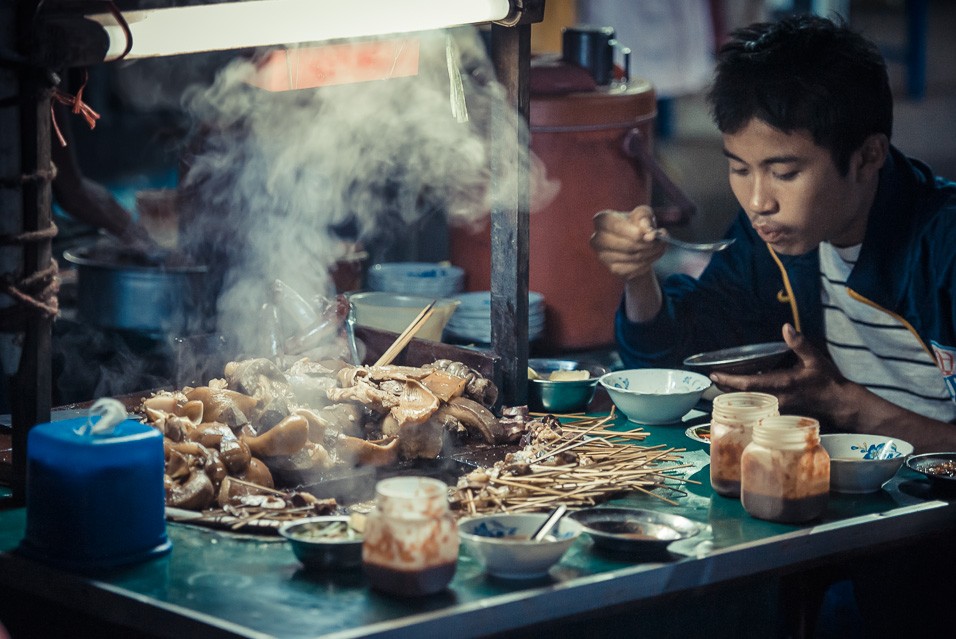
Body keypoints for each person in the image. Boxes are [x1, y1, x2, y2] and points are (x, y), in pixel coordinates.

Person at [590, 14, 956, 453]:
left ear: (868, 156)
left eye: (784, 172)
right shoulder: (771, 239)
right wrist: (638, 275)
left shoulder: (944, 244)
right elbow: (673, 365)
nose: (758, 201)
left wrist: (851, 408)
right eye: (739, 168)